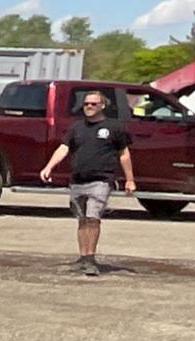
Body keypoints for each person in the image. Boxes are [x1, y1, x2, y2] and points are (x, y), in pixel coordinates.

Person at [39, 90, 135, 275]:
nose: (89, 107)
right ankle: (83, 257)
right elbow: (64, 148)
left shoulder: (114, 127)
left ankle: (91, 259)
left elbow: (124, 154)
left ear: (103, 106)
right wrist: (49, 166)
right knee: (82, 221)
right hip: (78, 180)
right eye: (86, 104)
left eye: (93, 104)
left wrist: (130, 180)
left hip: (101, 180)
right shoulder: (76, 128)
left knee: (93, 219)